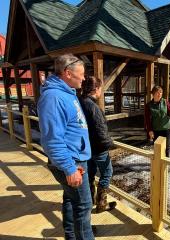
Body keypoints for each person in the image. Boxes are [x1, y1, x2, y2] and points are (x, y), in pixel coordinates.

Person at [38, 54, 94, 240]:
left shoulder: (66, 92)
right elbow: (52, 139)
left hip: (73, 158)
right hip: (71, 161)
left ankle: (71, 236)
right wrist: (69, 168)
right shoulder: (54, 97)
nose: (84, 78)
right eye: (82, 74)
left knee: (71, 199)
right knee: (84, 206)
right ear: (68, 73)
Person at [79, 76, 116, 213]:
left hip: (87, 148)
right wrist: (110, 144)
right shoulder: (93, 107)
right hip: (98, 148)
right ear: (96, 89)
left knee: (90, 174)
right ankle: (101, 204)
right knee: (107, 173)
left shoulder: (80, 102)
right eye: (101, 88)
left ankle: (90, 201)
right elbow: (100, 130)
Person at [145, 86, 170, 157]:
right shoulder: (149, 105)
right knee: (157, 149)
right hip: (156, 130)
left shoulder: (165, 102)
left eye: (161, 92)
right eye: (157, 92)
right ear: (153, 94)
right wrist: (150, 130)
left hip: (166, 129)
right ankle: (158, 166)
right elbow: (148, 119)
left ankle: (166, 166)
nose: (159, 94)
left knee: (166, 148)